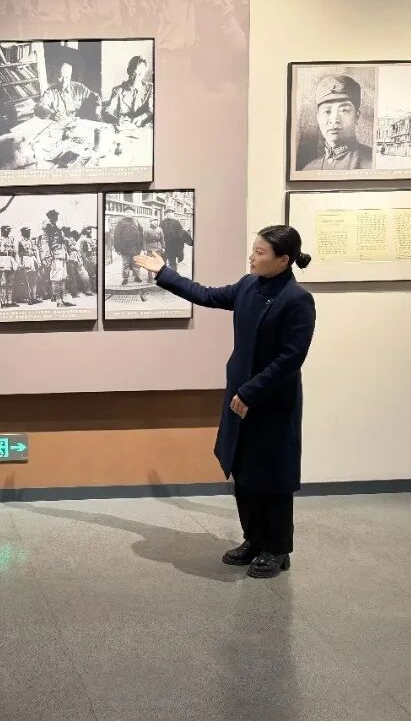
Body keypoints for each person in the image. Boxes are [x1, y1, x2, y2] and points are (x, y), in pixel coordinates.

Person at [134, 226, 317, 578]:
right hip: (240, 395)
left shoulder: (297, 300)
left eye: (260, 253)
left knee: (272, 477)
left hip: (270, 400)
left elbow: (290, 358)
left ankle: (277, 548)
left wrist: (250, 392)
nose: (252, 257)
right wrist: (163, 272)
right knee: (243, 470)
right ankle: (254, 539)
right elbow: (206, 295)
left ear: (283, 260)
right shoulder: (248, 286)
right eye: (253, 249)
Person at [301, 74, 373, 171]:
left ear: (357, 116)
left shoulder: (373, 163)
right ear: (318, 117)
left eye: (343, 110)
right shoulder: (309, 169)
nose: (334, 119)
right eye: (327, 111)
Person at [104, 55, 154, 129]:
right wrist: (116, 119)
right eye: (133, 74)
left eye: (140, 75)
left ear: (144, 74)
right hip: (123, 128)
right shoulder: (117, 90)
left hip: (144, 128)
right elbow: (108, 110)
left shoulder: (150, 88)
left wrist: (142, 118)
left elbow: (152, 110)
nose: (136, 78)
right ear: (128, 71)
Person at [40, 209, 72, 307]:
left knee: (63, 277)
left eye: (57, 215)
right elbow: (45, 243)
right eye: (55, 215)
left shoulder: (57, 227)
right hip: (55, 255)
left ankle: (64, 299)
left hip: (62, 254)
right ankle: (58, 300)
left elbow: (62, 240)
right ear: (51, 217)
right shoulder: (47, 228)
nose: (57, 217)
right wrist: (47, 256)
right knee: (56, 278)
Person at [112, 208, 144, 285]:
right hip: (124, 248)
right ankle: (125, 278)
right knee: (125, 264)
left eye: (131, 212)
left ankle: (136, 276)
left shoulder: (136, 221)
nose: (129, 213)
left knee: (136, 263)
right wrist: (118, 248)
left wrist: (141, 245)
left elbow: (141, 233)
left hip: (135, 248)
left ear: (133, 213)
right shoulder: (121, 222)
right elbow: (116, 236)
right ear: (125, 213)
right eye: (127, 212)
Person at [0, 224, 19, 308]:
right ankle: (2, 300)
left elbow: (16, 252)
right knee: (2, 282)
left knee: (11, 282)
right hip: (1, 260)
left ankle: (9, 301)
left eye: (9, 230)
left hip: (11, 260)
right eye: (6, 229)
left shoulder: (12, 239)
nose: (8, 231)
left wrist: (17, 262)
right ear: (2, 230)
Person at [17, 226, 40, 305]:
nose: (28, 233)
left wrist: (38, 261)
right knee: (27, 280)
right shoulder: (20, 242)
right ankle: (29, 297)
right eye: (27, 232)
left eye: (29, 232)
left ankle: (34, 297)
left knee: (35, 279)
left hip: (33, 260)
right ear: (23, 233)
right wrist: (19, 263)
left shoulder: (32, 241)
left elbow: (36, 251)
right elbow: (18, 254)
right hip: (26, 260)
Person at [142, 217, 165, 282]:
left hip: (158, 248)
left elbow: (162, 239)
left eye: (156, 221)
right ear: (150, 222)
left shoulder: (160, 229)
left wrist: (163, 247)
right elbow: (144, 240)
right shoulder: (146, 229)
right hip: (149, 248)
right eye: (153, 221)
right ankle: (150, 278)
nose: (155, 222)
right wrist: (145, 249)